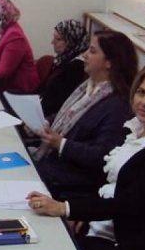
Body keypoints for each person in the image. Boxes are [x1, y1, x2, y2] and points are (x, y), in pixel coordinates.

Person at [27, 62, 145, 250]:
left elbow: (127, 204)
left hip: (120, 249)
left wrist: (66, 208)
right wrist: (82, 211)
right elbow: (108, 182)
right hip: (96, 225)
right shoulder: (134, 130)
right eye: (141, 92)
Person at [31, 30, 138, 196]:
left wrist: (61, 144)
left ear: (109, 62)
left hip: (67, 180)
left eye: (92, 51)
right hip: (52, 164)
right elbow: (65, 117)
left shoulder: (118, 106)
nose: (84, 55)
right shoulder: (86, 87)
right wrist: (42, 123)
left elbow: (101, 155)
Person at [37, 19, 89, 118]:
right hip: (39, 108)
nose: (52, 42)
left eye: (58, 39)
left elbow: (57, 103)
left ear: (71, 42)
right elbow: (43, 89)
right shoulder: (62, 59)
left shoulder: (76, 67)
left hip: (48, 118)